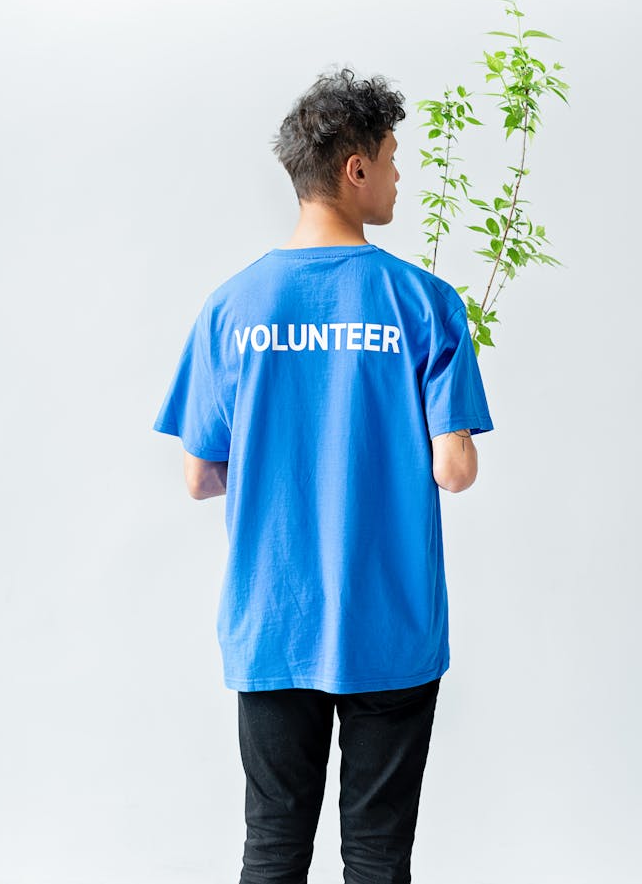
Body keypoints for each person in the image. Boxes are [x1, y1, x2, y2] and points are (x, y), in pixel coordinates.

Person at [152, 66, 494, 884]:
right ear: (356, 167)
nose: (400, 177)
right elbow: (454, 470)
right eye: (393, 159)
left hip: (274, 619)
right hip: (391, 624)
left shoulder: (233, 306)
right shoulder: (426, 301)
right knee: (377, 853)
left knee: (273, 846)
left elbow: (198, 475)